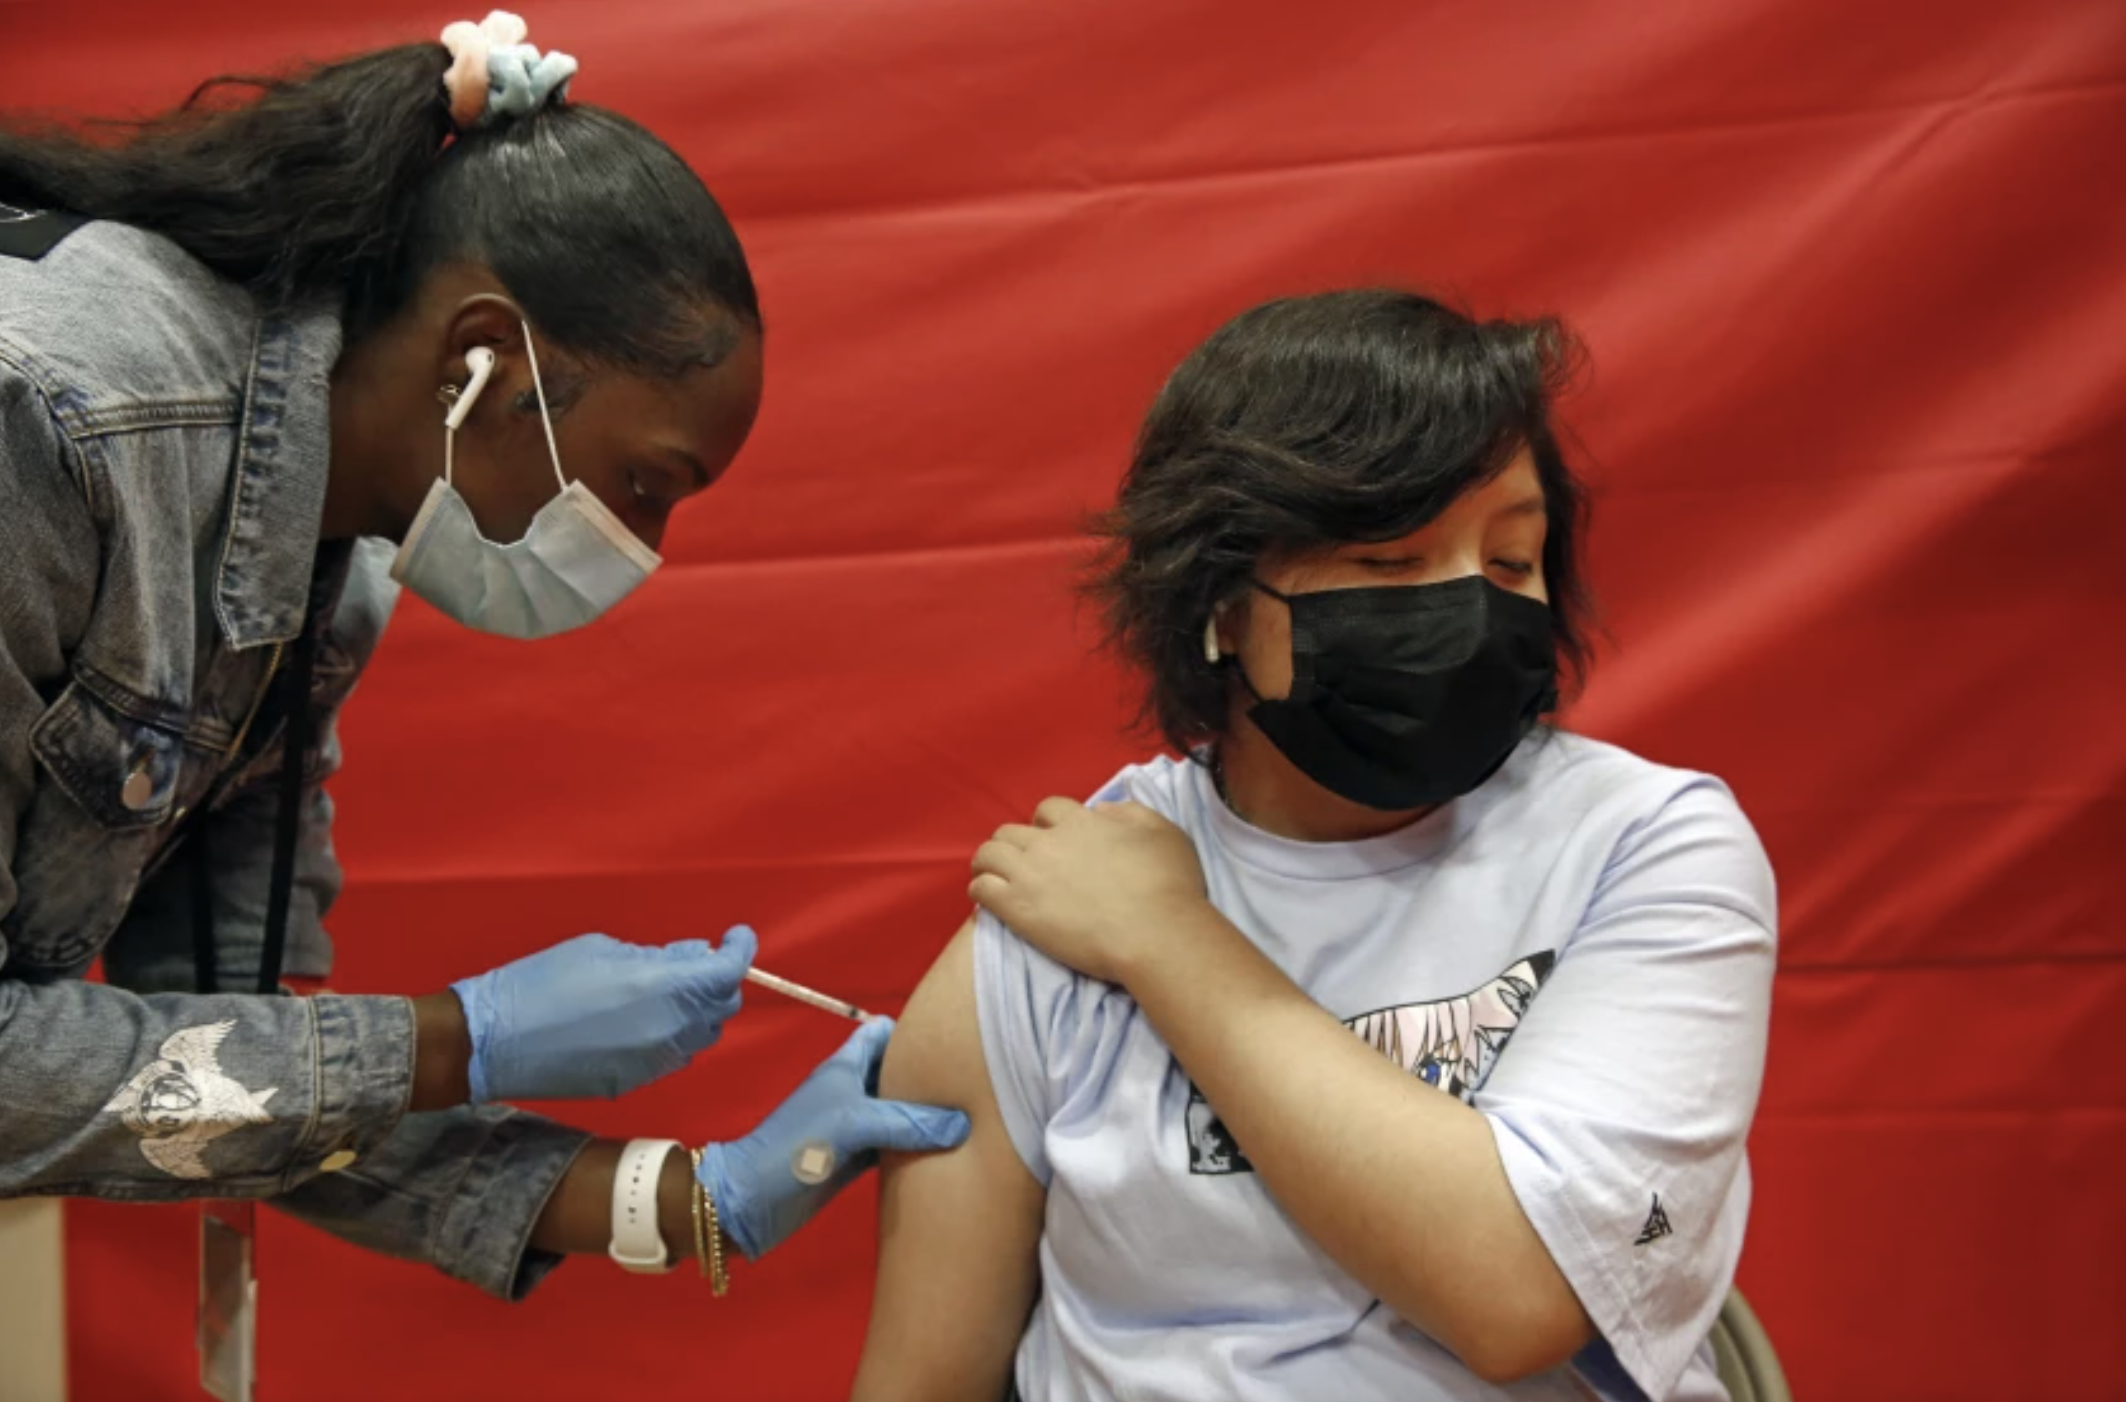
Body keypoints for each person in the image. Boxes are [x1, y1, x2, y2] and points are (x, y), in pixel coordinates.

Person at [0, 12, 965, 1300]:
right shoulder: (56, 431)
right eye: (639, 482)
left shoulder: (308, 575)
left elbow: (221, 1054)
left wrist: (685, 1196)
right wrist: (461, 1041)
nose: (634, 546)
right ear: (481, 357)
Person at [854, 291, 1777, 1401]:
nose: (1465, 612)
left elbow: (1518, 1291)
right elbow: (920, 1382)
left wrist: (1170, 939)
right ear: (1219, 604)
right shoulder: (1054, 913)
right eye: (1389, 564)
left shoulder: (1644, 847)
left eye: (1509, 564)